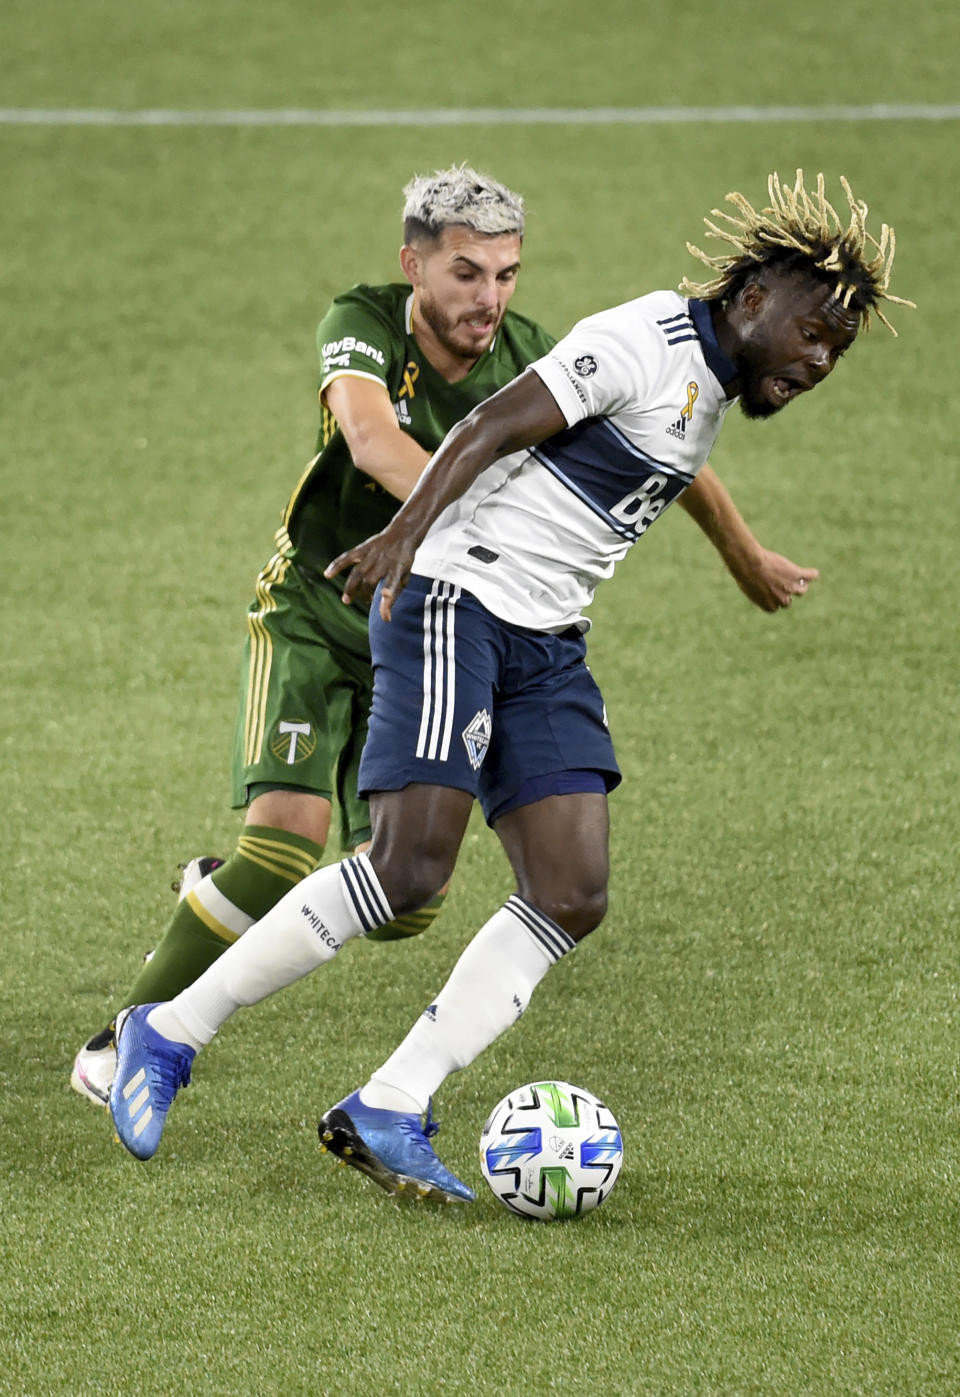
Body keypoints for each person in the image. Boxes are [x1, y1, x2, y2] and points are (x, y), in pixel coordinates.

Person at [108, 169, 905, 1200]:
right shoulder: (642, 339)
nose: (817, 361)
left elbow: (678, 471)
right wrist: (403, 534)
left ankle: (391, 1099)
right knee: (408, 867)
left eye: (835, 351)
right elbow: (486, 429)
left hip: (547, 639)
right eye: (812, 333)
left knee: (572, 892)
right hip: (457, 599)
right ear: (752, 299)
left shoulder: (708, 378)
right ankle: (167, 1031)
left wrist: (743, 553)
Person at [70, 163, 555, 1106]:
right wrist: (479, 522)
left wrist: (740, 547)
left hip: (415, 635)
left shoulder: (530, 358)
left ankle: (218, 901)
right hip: (312, 609)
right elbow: (372, 441)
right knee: (285, 848)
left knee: (407, 897)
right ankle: (123, 1037)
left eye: (505, 274)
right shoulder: (363, 321)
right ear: (413, 264)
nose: (488, 297)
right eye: (466, 273)